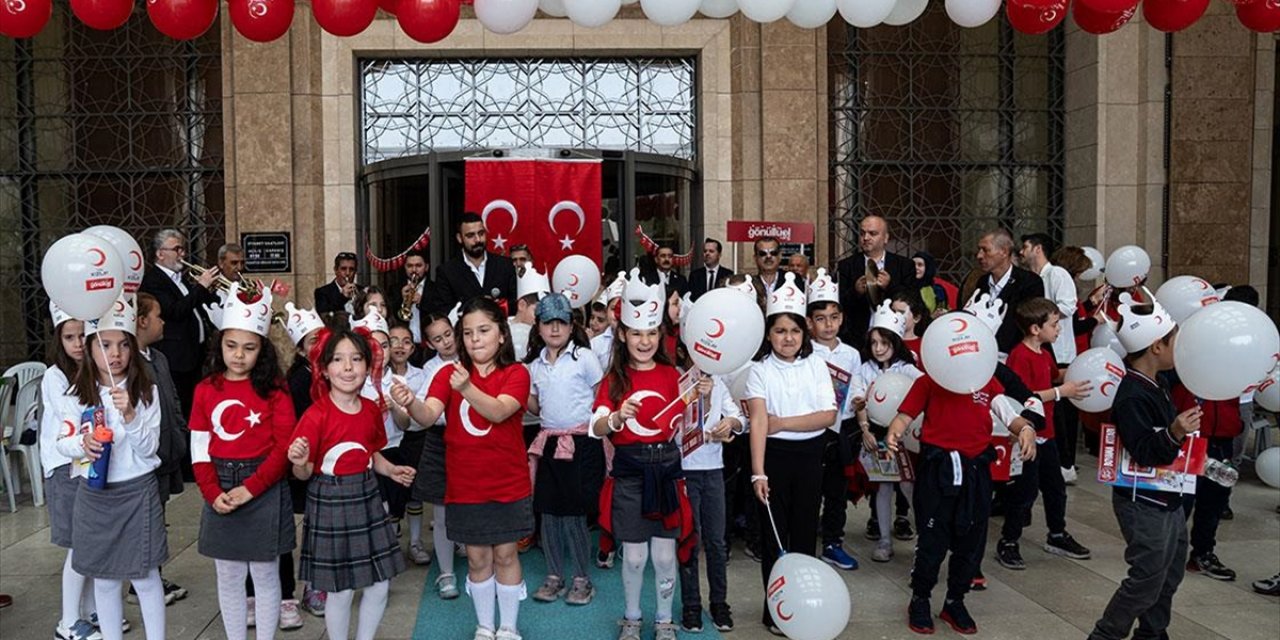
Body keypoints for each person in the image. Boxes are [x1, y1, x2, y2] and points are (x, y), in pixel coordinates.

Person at [885, 318, 1037, 635]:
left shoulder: (985, 382)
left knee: (971, 540)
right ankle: (920, 598)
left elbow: (1009, 414)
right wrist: (894, 434)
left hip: (975, 472)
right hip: (938, 471)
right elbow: (904, 416)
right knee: (932, 539)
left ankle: (955, 600)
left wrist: (1026, 430)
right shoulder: (929, 382)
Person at [393, 298, 533, 640]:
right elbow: (428, 416)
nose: (475, 339)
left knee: (505, 554)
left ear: (501, 334)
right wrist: (410, 402)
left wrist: (466, 387)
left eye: (483, 330)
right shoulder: (447, 374)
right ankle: (485, 626)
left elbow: (499, 411)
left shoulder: (516, 373)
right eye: (467, 332)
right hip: (465, 484)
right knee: (476, 559)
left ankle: (509, 627)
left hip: (507, 483)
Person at [589, 269, 696, 640]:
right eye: (637, 333)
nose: (645, 340)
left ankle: (664, 619)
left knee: (665, 557)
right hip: (631, 476)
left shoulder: (674, 375)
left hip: (667, 471)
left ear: (661, 334)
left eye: (652, 333)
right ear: (623, 334)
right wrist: (617, 417)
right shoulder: (614, 380)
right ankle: (632, 617)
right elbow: (597, 426)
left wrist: (705, 394)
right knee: (634, 557)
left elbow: (692, 419)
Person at [289, 328, 415, 640]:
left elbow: (370, 453)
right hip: (330, 500)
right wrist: (299, 460)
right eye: (338, 360)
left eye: (356, 359)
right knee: (341, 590)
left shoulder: (372, 410)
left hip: (367, 495)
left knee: (380, 582)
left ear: (368, 365)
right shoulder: (315, 415)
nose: (348, 367)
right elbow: (303, 475)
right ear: (325, 369)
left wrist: (391, 470)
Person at [54, 297, 167, 640]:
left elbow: (149, 449)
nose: (114, 354)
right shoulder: (77, 394)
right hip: (96, 495)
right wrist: (81, 446)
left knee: (145, 577)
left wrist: (131, 415)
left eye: (122, 345)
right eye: (104, 345)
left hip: (136, 492)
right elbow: (63, 440)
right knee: (104, 578)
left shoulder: (147, 392)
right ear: (90, 349)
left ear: (132, 349)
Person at [1087, 298, 1199, 640]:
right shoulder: (1132, 394)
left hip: (1169, 494)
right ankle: (1105, 634)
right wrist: (1175, 432)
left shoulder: (1159, 383)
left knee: (1169, 574)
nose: (1178, 349)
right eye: (1174, 341)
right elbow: (1145, 451)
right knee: (1147, 577)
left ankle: (1153, 632)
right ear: (1156, 346)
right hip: (1142, 501)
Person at [191, 287, 297, 640]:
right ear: (219, 345)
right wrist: (211, 491)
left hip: (263, 483)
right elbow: (200, 448)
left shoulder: (276, 389)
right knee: (229, 574)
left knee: (266, 573)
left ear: (262, 350)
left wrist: (250, 488)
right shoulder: (206, 389)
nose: (238, 355)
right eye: (231, 346)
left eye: (249, 348)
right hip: (219, 484)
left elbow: (283, 448)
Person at [746, 272, 839, 635]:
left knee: (803, 536)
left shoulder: (816, 364)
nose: (788, 338)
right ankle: (775, 610)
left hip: (810, 457)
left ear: (805, 334)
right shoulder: (759, 370)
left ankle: (802, 607)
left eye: (795, 331)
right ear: (769, 334)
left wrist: (782, 422)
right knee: (775, 540)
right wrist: (758, 472)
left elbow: (828, 415)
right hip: (773, 460)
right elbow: (757, 423)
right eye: (781, 331)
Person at [996, 298, 1093, 572]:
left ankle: (1057, 533)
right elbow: (1025, 395)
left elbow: (1054, 376)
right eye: (1054, 324)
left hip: (1047, 434)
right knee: (1024, 493)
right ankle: (1009, 541)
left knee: (1055, 488)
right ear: (1035, 328)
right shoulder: (1019, 356)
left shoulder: (1044, 353)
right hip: (1028, 435)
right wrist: (1063, 391)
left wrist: (1083, 372)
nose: (1059, 329)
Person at [524, 293, 604, 607]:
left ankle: (581, 578)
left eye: (561, 322)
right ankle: (555, 575)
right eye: (548, 323)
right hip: (549, 442)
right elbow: (535, 404)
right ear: (539, 327)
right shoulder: (535, 364)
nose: (555, 329)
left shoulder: (584, 357)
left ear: (572, 326)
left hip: (580, 443)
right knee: (549, 512)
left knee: (574, 513)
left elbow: (600, 396)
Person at [42, 304, 101, 640]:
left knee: (90, 541)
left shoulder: (93, 370)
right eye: (69, 337)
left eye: (82, 335)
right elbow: (70, 423)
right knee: (79, 545)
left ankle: (92, 609)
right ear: (58, 339)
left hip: (87, 462)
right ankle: (68, 620)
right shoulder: (55, 376)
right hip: (65, 466)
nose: (78, 343)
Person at [854, 301, 924, 562]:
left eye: (884, 343)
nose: (879, 349)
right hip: (877, 435)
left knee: (908, 486)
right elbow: (858, 399)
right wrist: (864, 429)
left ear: (895, 343)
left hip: (904, 439)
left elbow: (923, 390)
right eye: (874, 343)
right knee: (882, 487)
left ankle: (922, 540)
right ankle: (884, 540)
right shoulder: (864, 369)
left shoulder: (906, 368)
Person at [804, 269, 865, 572]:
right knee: (808, 489)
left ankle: (833, 543)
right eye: (820, 318)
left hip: (841, 431)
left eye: (833, 317)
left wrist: (858, 400)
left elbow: (856, 387)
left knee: (837, 491)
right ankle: (801, 544)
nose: (828, 325)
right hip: (811, 431)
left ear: (841, 319)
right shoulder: (803, 354)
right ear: (809, 323)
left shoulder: (851, 353)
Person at [133, 293, 190, 608]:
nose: (163, 321)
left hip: (168, 451)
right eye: (157, 315)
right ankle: (141, 579)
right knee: (146, 520)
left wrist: (179, 429)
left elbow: (172, 398)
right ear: (142, 320)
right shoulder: (130, 363)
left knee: (159, 516)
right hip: (148, 457)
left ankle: (154, 572)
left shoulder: (160, 358)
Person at [677, 371, 744, 634]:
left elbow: (739, 418)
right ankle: (691, 604)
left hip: (714, 470)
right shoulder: (678, 381)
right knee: (690, 540)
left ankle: (719, 603)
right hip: (684, 470)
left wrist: (729, 423)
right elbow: (669, 426)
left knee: (716, 541)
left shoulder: (719, 383)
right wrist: (692, 397)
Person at [409, 310, 464, 600]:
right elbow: (421, 412)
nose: (446, 342)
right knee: (441, 512)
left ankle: (476, 557)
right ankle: (446, 573)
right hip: (440, 440)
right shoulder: (430, 370)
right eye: (437, 339)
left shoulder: (472, 359)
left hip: (471, 440)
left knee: (471, 506)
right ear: (429, 343)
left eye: (448, 334)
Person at [138, 228, 220, 417]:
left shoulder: (181, 279)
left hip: (196, 353)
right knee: (183, 407)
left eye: (183, 249)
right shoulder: (154, 281)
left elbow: (195, 306)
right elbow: (175, 311)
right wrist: (200, 287)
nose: (182, 254)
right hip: (177, 356)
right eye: (177, 249)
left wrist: (207, 292)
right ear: (160, 254)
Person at [282, 303, 326, 621]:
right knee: (314, 527)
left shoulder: (325, 372)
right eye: (312, 341)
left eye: (321, 338)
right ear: (299, 349)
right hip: (307, 463)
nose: (319, 345)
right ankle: (312, 587)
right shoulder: (299, 380)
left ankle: (320, 582)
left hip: (325, 461)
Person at [1171, 379, 1239, 581]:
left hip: (1223, 437)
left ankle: (1202, 554)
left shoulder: (1233, 367)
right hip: (1192, 438)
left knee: (1214, 503)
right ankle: (1169, 553)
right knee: (1181, 502)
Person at [385, 322, 433, 566]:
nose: (399, 346)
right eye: (393, 340)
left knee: (414, 493)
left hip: (415, 440)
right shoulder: (378, 376)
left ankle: (415, 542)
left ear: (413, 348)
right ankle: (391, 545)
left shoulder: (421, 375)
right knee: (393, 497)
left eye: (406, 341)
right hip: (391, 443)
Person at [1047, 245, 1095, 483]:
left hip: (1070, 352)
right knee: (1064, 413)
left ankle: (1065, 461)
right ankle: (1064, 462)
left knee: (1066, 412)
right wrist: (1095, 319)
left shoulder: (1057, 282)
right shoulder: (1060, 284)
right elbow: (1074, 322)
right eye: (1077, 274)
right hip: (1063, 353)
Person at [836, 215, 915, 349]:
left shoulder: (904, 265)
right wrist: (856, 292)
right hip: (858, 339)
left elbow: (912, 301)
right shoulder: (846, 265)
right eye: (862, 233)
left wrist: (890, 286)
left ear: (885, 238)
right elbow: (840, 305)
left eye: (872, 233)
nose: (866, 238)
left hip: (894, 337)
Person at [425, 212, 519, 316]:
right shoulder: (447, 272)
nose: (478, 240)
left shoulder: (505, 265)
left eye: (481, 233)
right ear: (459, 238)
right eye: (470, 235)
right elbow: (443, 312)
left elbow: (516, 304)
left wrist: (496, 306)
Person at [967, 229, 1045, 355]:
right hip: (983, 353)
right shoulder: (982, 282)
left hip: (1016, 356)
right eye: (979, 250)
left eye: (986, 250)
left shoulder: (1029, 282)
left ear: (1004, 251)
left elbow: (1031, 324)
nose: (979, 256)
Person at [510, 266, 551, 362]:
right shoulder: (502, 328)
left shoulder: (544, 333)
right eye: (536, 312)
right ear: (522, 305)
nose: (540, 319)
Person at [393, 249, 430, 344]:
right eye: (409, 266)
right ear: (404, 267)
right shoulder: (395, 289)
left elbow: (439, 313)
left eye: (418, 266)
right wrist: (401, 299)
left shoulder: (436, 288)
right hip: (403, 344)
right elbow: (392, 316)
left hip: (427, 344)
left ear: (426, 267)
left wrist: (422, 302)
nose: (414, 270)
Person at [313, 252, 361, 316]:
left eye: (351, 269)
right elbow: (325, 316)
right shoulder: (322, 292)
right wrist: (342, 297)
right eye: (343, 269)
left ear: (355, 271)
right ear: (336, 270)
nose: (347, 273)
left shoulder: (361, 291)